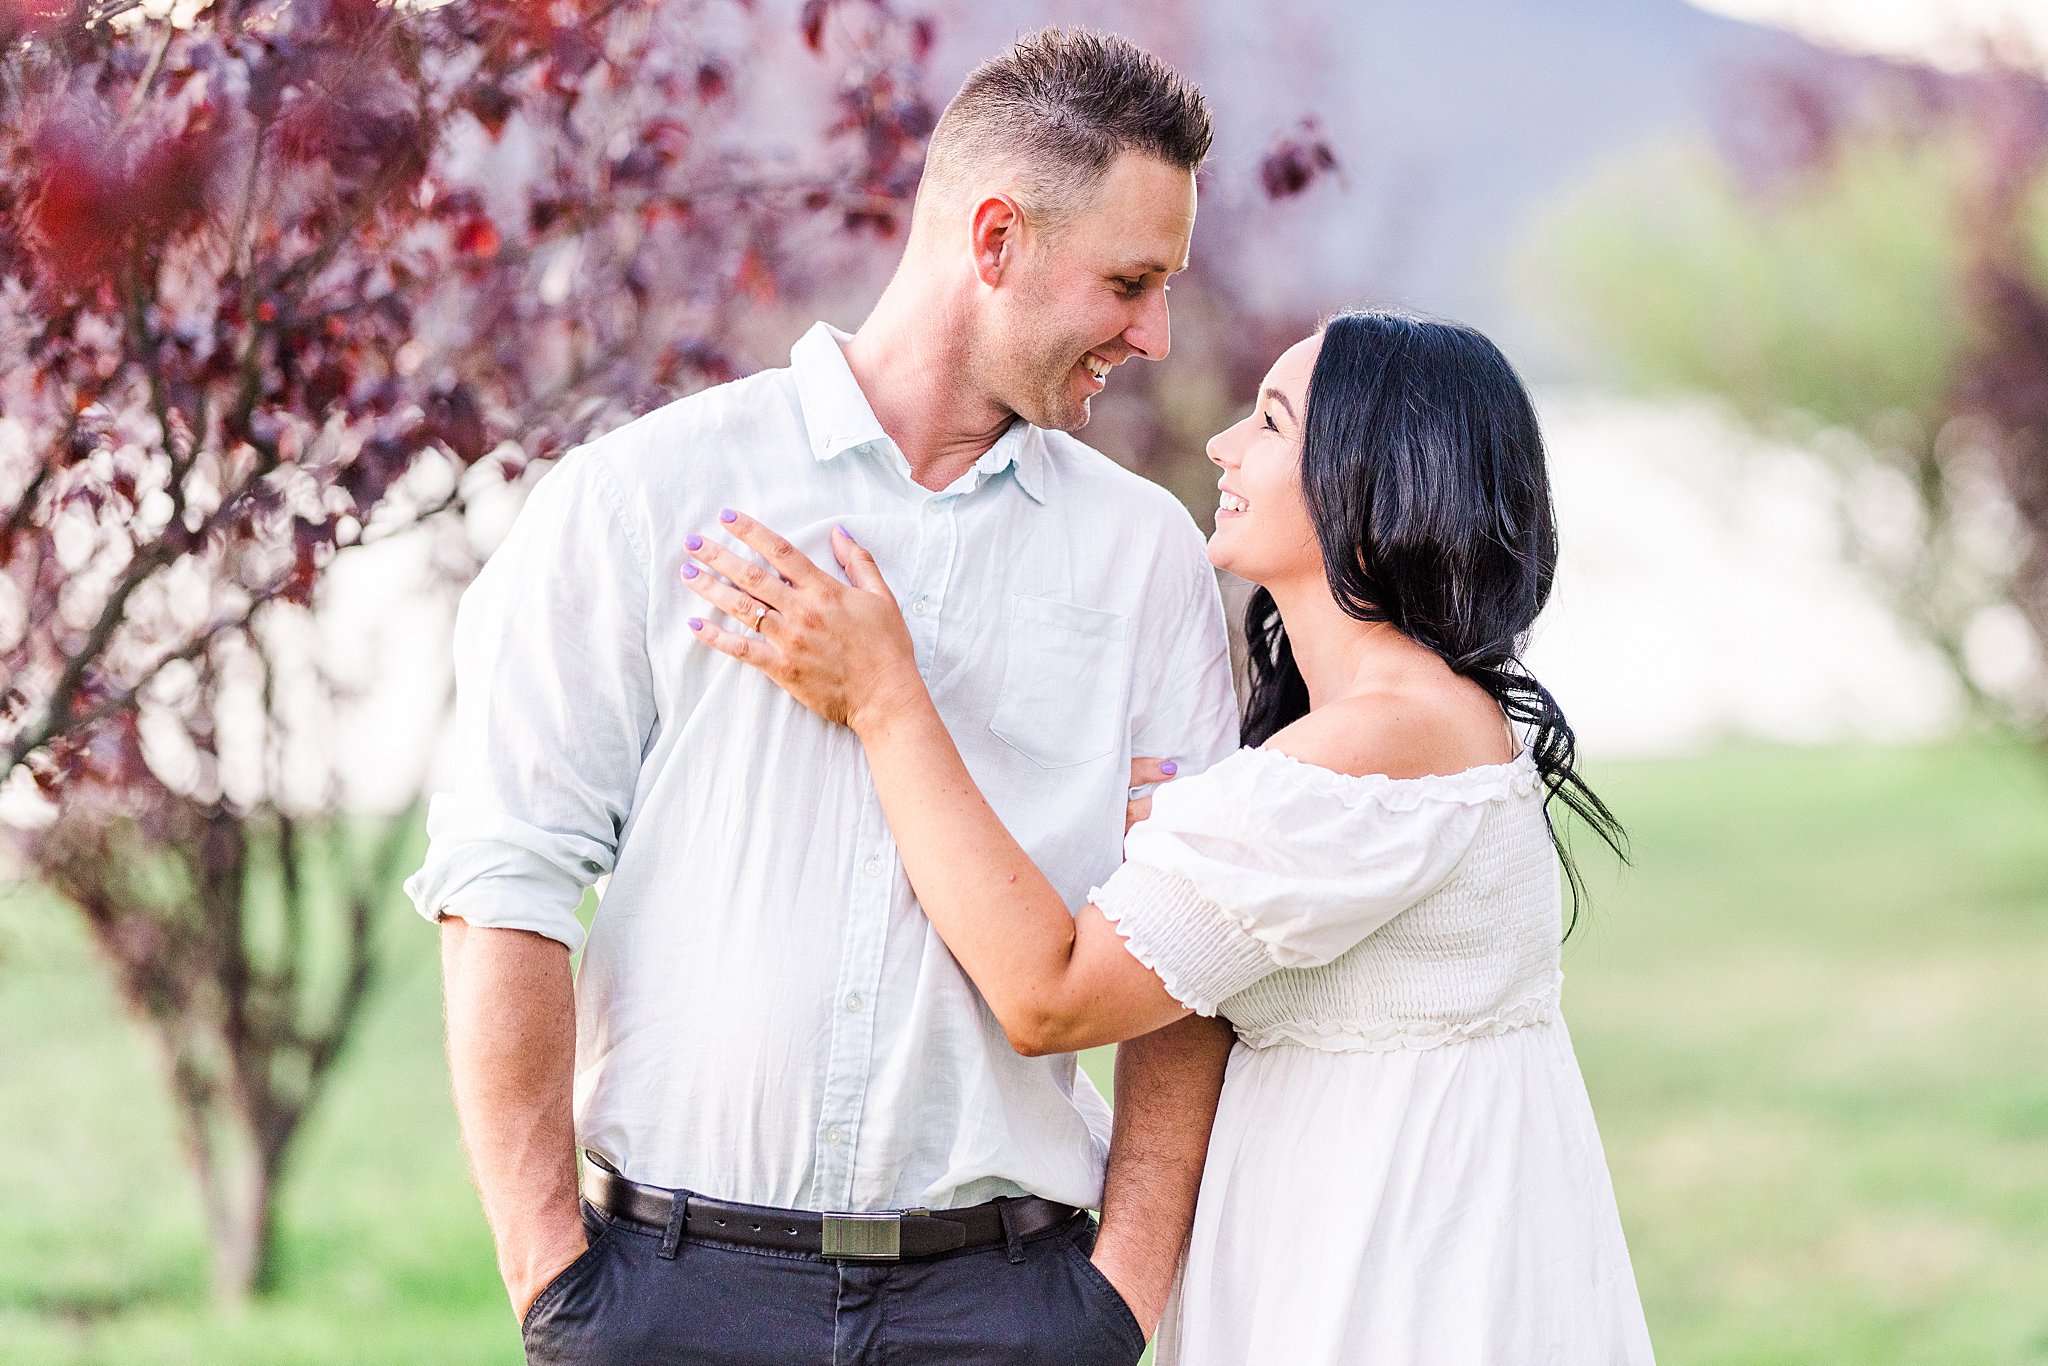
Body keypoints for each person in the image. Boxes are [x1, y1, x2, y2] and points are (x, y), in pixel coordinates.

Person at [405, 28, 1242, 1366]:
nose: (1152, 333)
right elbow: (504, 880)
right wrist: (552, 1275)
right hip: (670, 1299)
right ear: (995, 240)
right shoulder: (639, 500)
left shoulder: (1144, 558)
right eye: (1130, 282)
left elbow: (1190, 948)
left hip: (1010, 1306)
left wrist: (1121, 1289)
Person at [678, 310, 1658, 1364]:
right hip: (1383, 1242)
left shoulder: (1385, 742)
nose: (1222, 444)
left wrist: (884, 700)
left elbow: (1050, 994)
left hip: (1395, 1280)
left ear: (1375, 488)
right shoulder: (1401, 722)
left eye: (1271, 423)